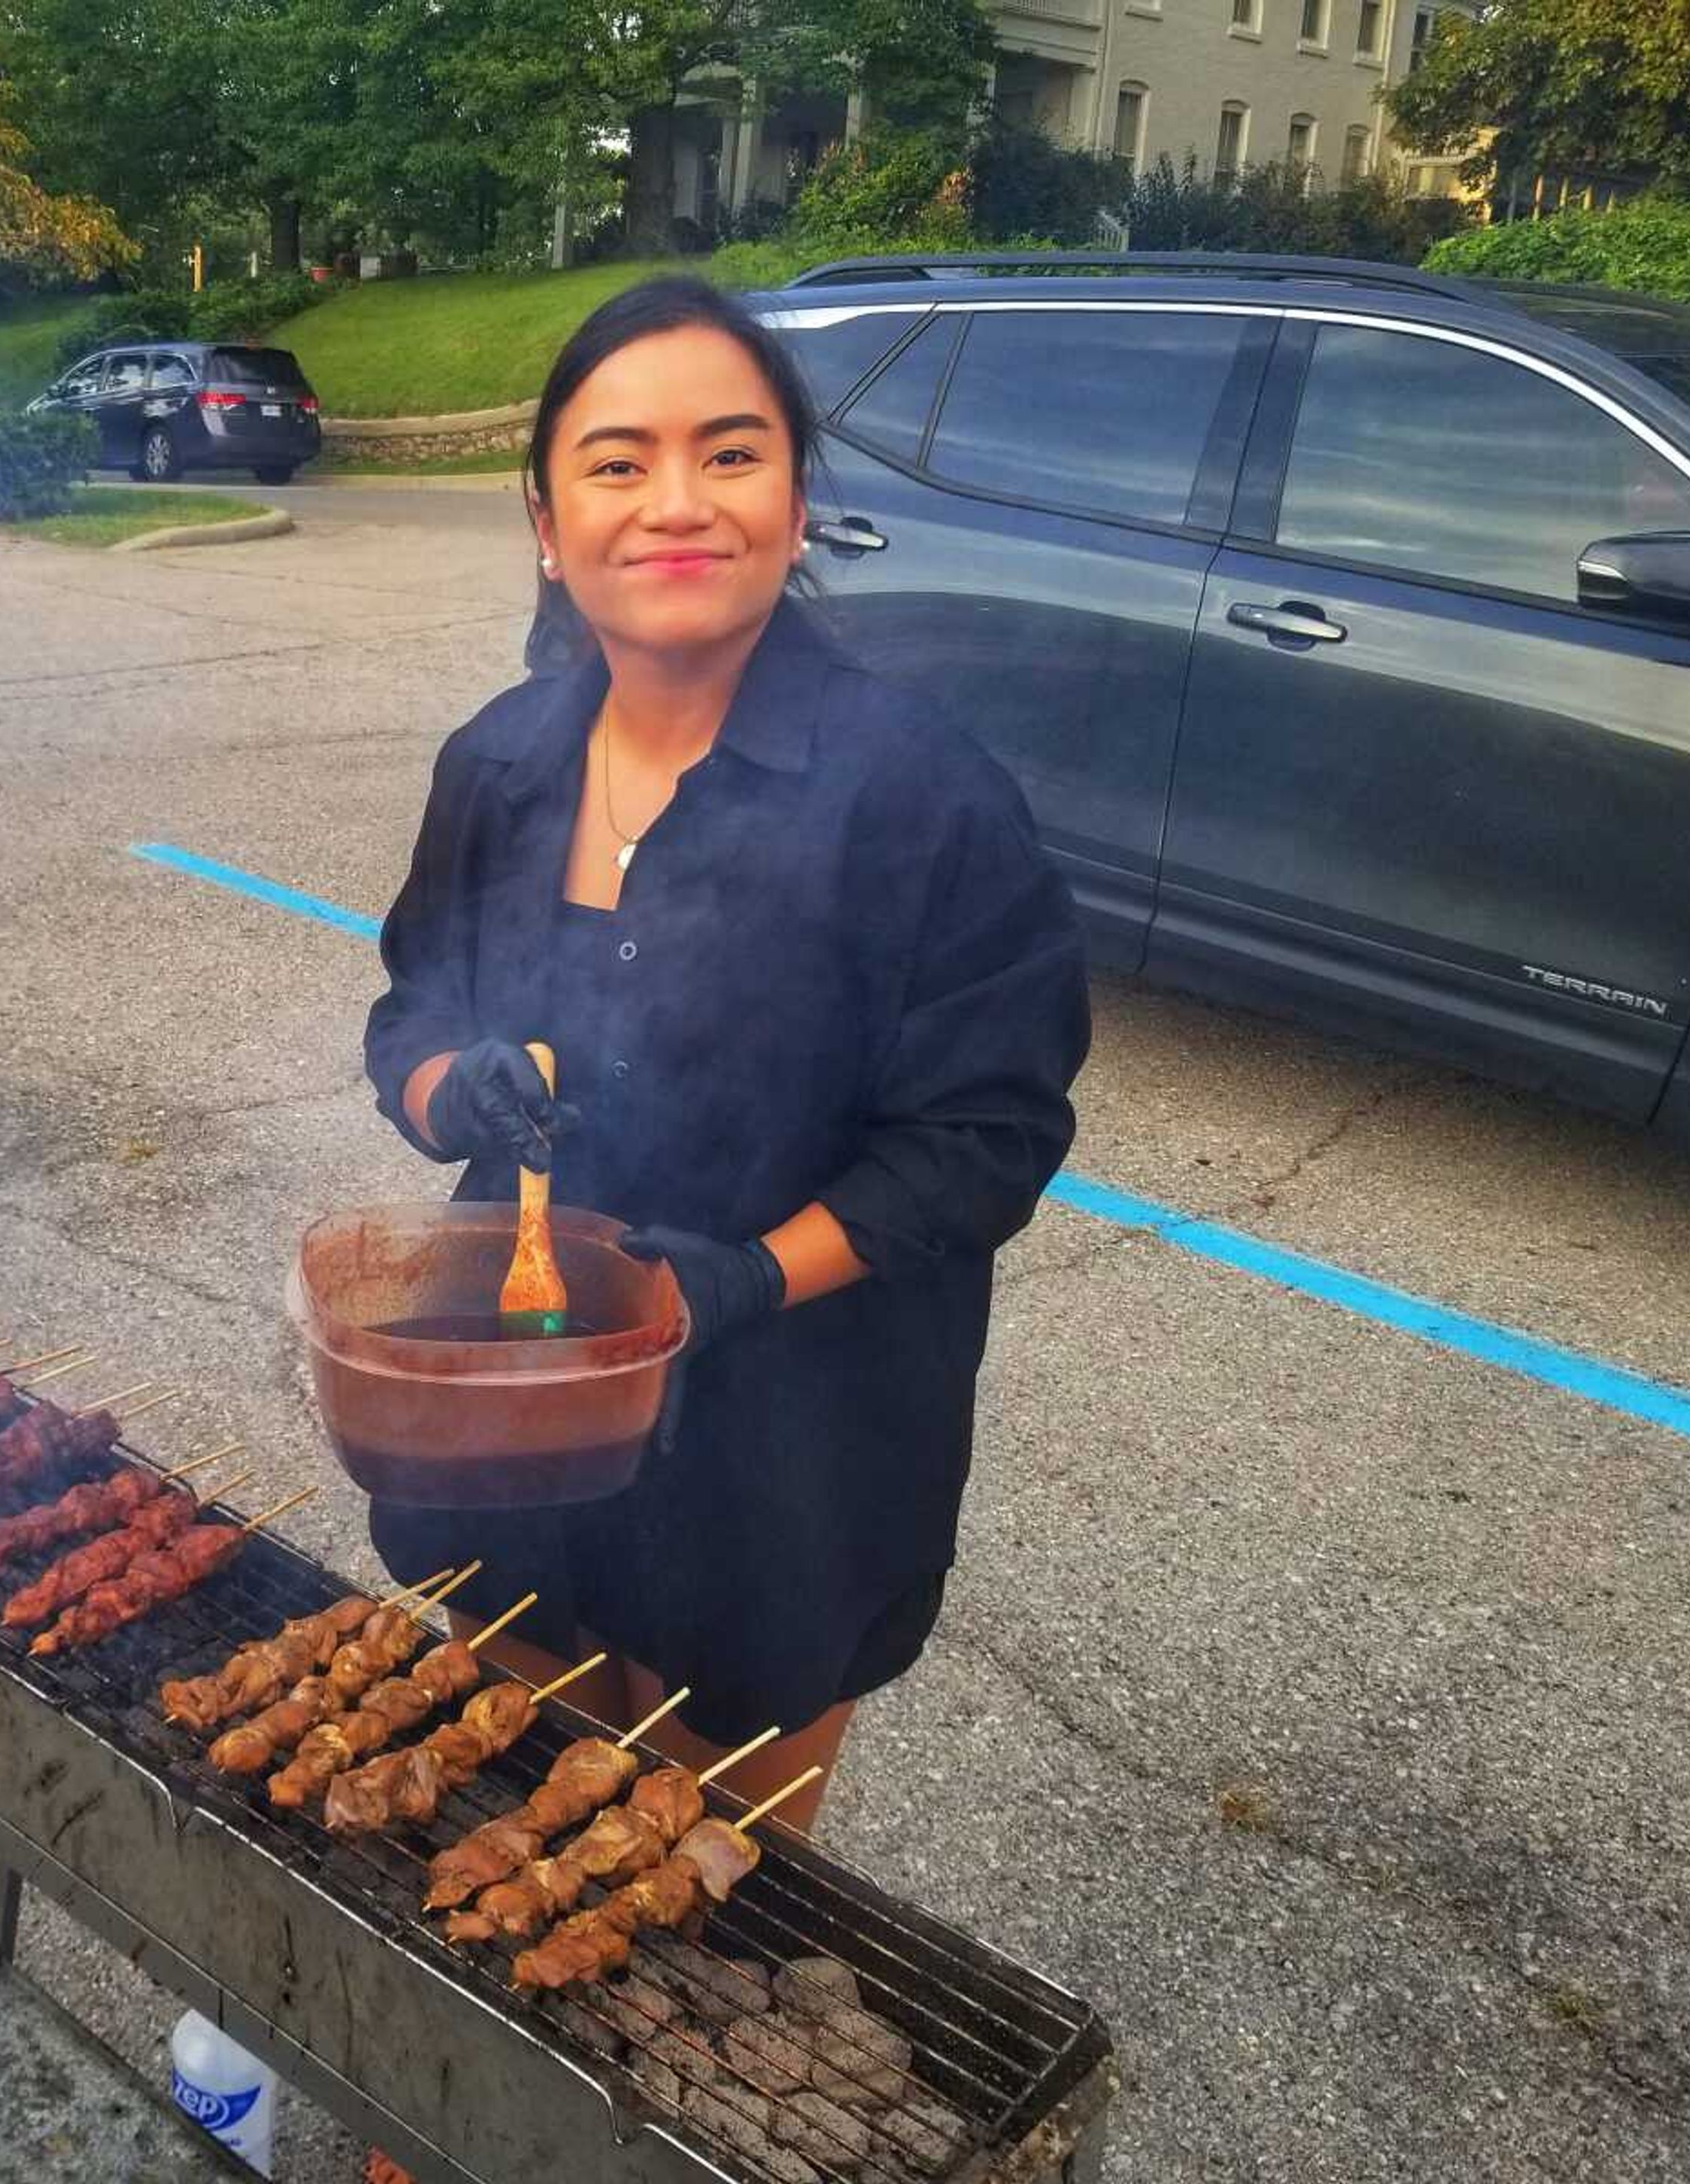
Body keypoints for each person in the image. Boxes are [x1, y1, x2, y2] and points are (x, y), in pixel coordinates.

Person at [363, 276, 1092, 1828]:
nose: (676, 503)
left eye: (732, 454)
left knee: (695, 1877)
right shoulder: (497, 762)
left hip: (792, 1439)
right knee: (506, 1781)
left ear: (797, 499)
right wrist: (450, 1091)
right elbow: (411, 1008)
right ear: (549, 524)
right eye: (618, 463)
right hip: (513, 1391)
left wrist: (739, 1282)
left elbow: (983, 1138)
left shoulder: (917, 797)